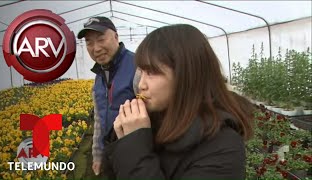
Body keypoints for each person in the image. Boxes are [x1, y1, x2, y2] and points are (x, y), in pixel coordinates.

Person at [101, 24, 255, 179]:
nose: (141, 84)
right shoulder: (151, 119)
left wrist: (134, 145)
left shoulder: (224, 148)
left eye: (152, 72)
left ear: (187, 76)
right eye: (141, 71)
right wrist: (120, 139)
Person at [77, 16, 136, 176]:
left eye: (101, 39)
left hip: (136, 156)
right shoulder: (99, 77)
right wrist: (97, 155)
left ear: (116, 37)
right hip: (111, 156)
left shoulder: (138, 66)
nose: (96, 48)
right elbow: (98, 120)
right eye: (89, 42)